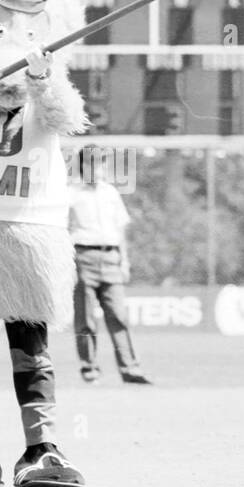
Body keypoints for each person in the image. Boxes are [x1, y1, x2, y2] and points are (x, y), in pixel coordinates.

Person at [68, 144, 150, 384]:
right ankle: (89, 367)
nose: (99, 167)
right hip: (83, 257)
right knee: (85, 319)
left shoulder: (110, 193)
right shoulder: (71, 193)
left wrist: (124, 261)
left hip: (111, 257)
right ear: (83, 165)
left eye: (102, 162)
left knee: (119, 316)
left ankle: (130, 369)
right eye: (94, 162)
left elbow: (120, 229)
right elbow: (63, 230)